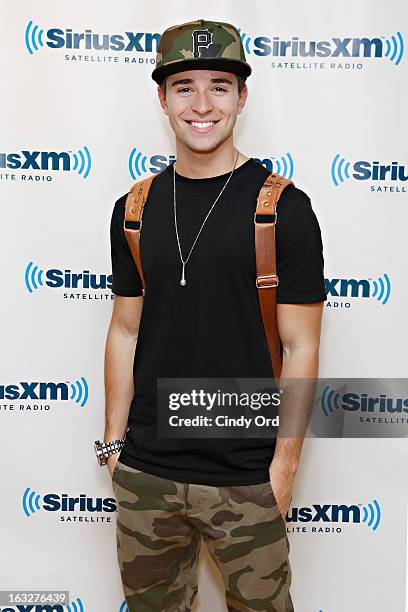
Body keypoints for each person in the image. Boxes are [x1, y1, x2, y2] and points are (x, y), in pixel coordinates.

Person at [102, 18, 327, 612]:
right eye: (184, 87)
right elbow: (126, 330)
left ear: (242, 97)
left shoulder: (284, 209)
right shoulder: (133, 208)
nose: (202, 104)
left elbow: (302, 348)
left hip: (247, 476)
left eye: (220, 86)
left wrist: (283, 471)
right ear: (162, 99)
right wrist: (112, 444)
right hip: (147, 475)